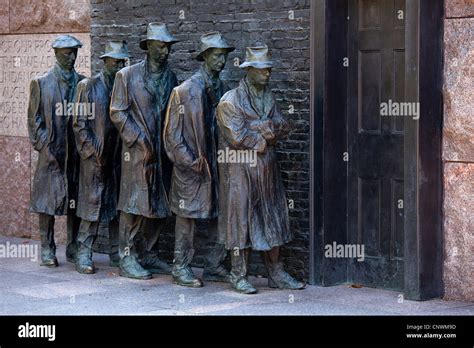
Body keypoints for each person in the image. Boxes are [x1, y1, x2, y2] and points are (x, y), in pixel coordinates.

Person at [216, 45, 306, 294]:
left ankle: (276, 273)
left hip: (267, 169)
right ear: (249, 71)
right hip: (239, 172)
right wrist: (265, 134)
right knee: (240, 221)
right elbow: (238, 136)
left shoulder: (270, 97)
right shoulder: (230, 101)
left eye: (269, 69)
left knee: (273, 218)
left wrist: (262, 128)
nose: (267, 74)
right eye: (262, 70)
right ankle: (238, 274)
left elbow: (282, 126)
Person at [164, 32, 235, 287]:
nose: (222, 61)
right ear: (204, 57)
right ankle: (180, 267)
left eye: (224, 56)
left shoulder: (225, 90)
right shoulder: (183, 91)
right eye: (217, 56)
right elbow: (171, 135)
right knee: (187, 217)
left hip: (218, 166)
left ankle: (214, 265)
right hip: (191, 168)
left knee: (220, 214)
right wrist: (189, 161)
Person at [110, 23, 179, 279]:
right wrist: (138, 139)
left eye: (168, 47)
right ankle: (126, 258)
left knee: (160, 205)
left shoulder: (170, 76)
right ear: (148, 47)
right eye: (161, 47)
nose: (165, 51)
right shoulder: (126, 76)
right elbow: (117, 112)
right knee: (133, 205)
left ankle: (149, 253)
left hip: (162, 153)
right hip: (136, 154)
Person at [27, 35, 85, 267]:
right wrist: (44, 146)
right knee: (47, 203)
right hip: (51, 153)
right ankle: (47, 247)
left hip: (76, 153)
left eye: (74, 53)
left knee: (75, 200)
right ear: (56, 54)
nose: (71, 57)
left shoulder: (82, 82)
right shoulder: (41, 83)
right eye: (66, 54)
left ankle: (73, 246)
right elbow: (34, 120)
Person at [73, 41, 130, 274]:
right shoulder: (88, 86)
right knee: (91, 207)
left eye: (121, 61)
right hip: (94, 160)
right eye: (114, 61)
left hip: (118, 159)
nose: (118, 65)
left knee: (117, 207)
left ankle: (118, 253)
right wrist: (90, 152)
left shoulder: (124, 87)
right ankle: (83, 253)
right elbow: (79, 124)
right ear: (105, 60)